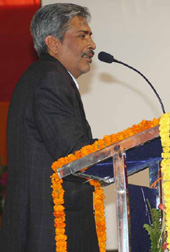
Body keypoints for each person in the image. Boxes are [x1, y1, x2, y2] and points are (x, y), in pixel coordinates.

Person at [0, 3, 98, 252]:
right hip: (47, 231)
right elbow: (75, 154)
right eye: (82, 35)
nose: (92, 45)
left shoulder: (46, 75)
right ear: (53, 44)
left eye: (90, 35)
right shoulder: (51, 78)